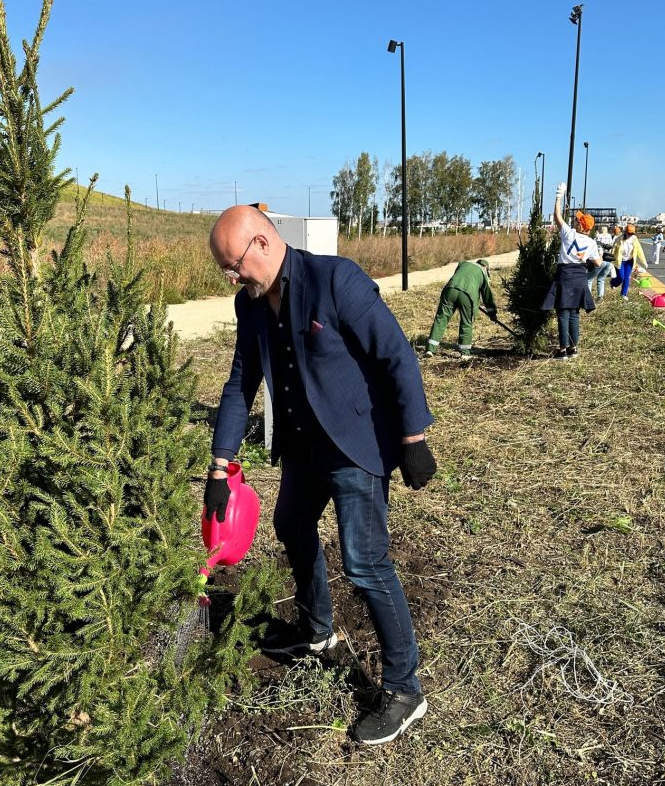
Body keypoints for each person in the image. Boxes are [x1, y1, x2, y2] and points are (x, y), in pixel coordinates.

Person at [204, 205, 437, 746]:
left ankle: (405, 689)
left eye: (234, 265)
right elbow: (241, 383)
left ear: (262, 243)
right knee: (290, 525)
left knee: (365, 562)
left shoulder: (336, 279)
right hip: (303, 449)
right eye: (225, 271)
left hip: (354, 446)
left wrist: (414, 438)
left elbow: (396, 354)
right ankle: (316, 632)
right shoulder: (252, 305)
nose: (232, 278)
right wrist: (219, 464)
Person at [541, 183, 601, 357]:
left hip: (564, 276)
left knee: (562, 313)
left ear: (580, 224)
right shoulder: (591, 243)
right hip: (580, 279)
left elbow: (556, 215)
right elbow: (597, 263)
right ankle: (573, 349)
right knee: (574, 313)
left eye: (577, 219)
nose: (574, 220)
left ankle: (562, 350)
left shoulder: (569, 234)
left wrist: (559, 196)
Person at [425, 258, 497, 359]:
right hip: (467, 295)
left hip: (450, 290)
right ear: (486, 268)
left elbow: (458, 277)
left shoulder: (463, 264)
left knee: (440, 319)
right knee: (466, 323)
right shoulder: (482, 272)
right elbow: (487, 295)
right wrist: (492, 313)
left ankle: (430, 349)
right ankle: (465, 353)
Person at [612, 223, 648, 300]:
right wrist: (610, 259)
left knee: (626, 278)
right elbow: (613, 249)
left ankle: (623, 294)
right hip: (620, 261)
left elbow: (639, 250)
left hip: (629, 261)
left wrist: (644, 261)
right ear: (625, 232)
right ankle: (613, 283)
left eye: (632, 233)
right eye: (629, 233)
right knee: (621, 277)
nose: (630, 235)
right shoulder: (619, 239)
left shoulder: (634, 239)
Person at [587, 220, 614, 301]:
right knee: (601, 279)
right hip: (609, 261)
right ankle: (600, 296)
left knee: (589, 279)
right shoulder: (609, 236)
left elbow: (595, 247)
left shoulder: (597, 237)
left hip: (601, 260)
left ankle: (587, 298)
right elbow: (611, 246)